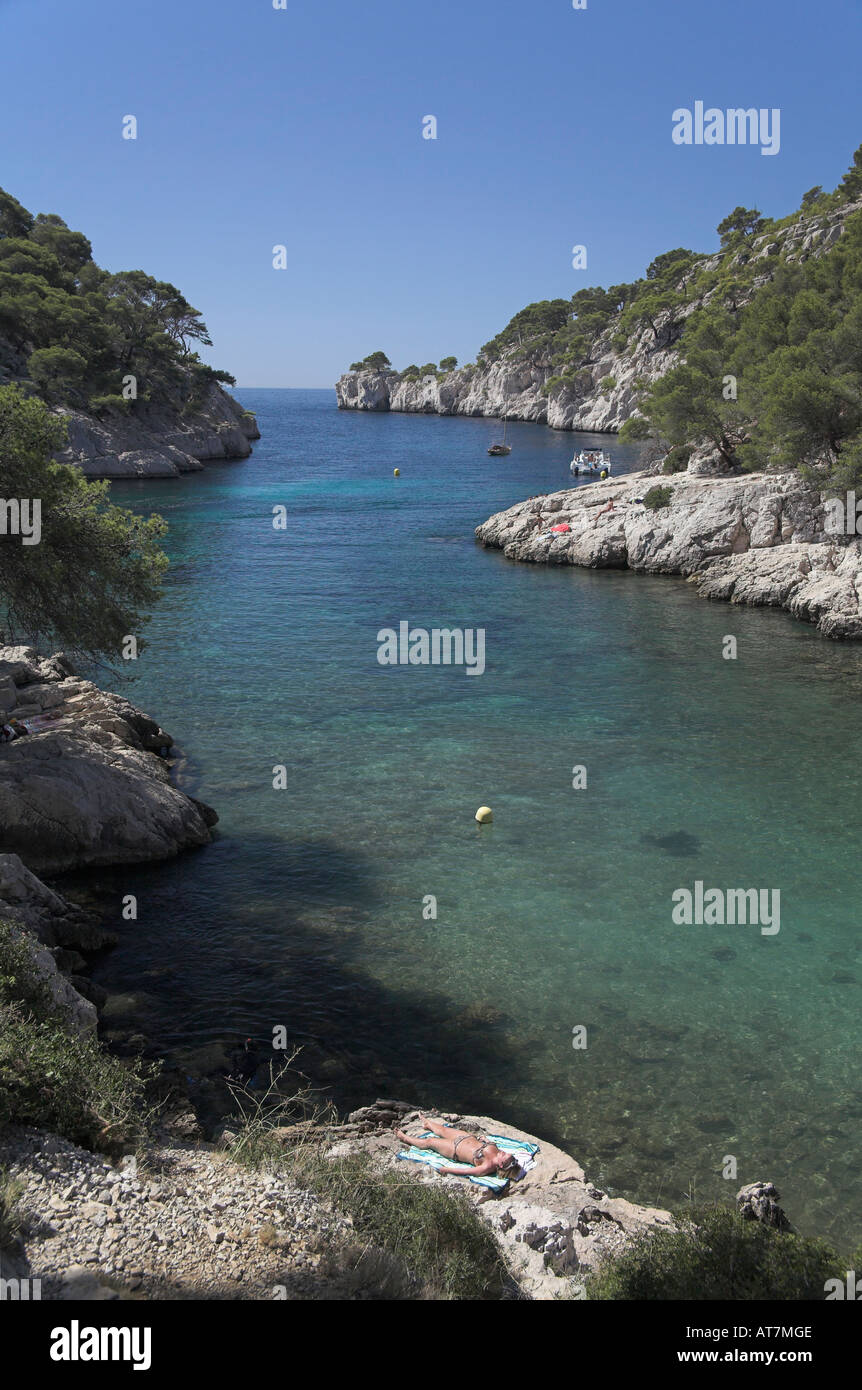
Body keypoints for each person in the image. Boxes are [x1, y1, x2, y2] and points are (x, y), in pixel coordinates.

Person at [396, 1114, 519, 1179]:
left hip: (454, 1149)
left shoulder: (487, 1166)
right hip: (466, 1137)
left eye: (505, 1155)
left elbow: (466, 1171)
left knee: (430, 1141)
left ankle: (405, 1138)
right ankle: (427, 1123)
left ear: (501, 1164)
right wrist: (486, 1139)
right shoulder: (498, 1153)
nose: (504, 1152)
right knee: (442, 1129)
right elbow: (492, 1145)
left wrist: (446, 1170)